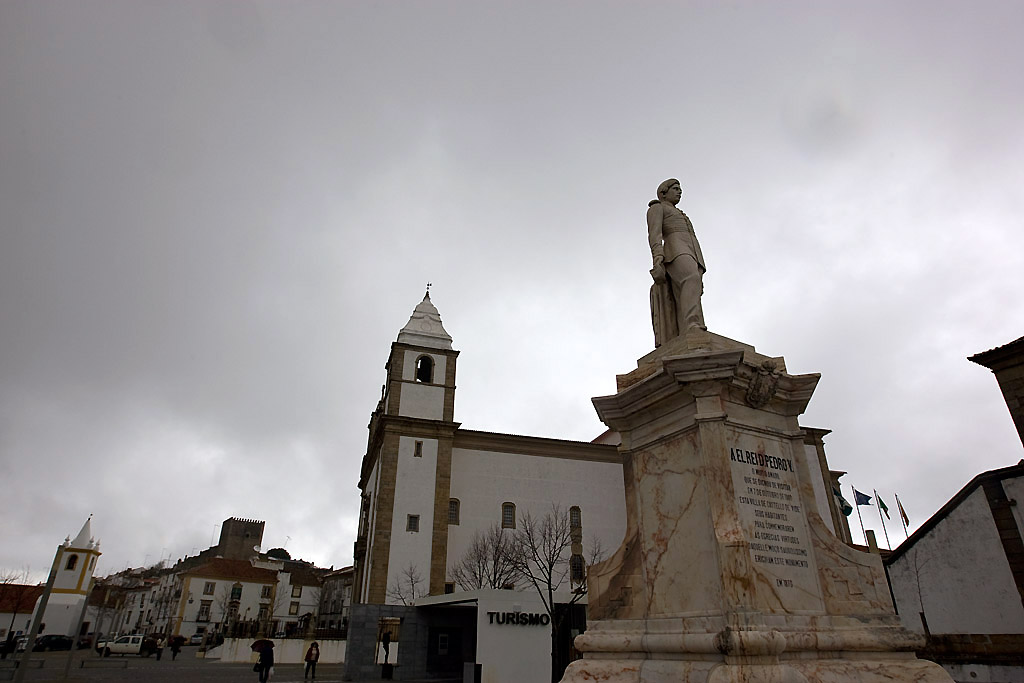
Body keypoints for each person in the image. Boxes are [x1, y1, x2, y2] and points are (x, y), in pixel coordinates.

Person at [647, 178, 706, 346]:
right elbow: (654, 234)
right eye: (675, 188)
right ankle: (692, 324)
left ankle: (689, 328)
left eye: (680, 189)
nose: (679, 191)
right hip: (675, 249)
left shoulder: (681, 213)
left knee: (691, 289)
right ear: (663, 193)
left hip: (693, 251)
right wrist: (658, 258)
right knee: (690, 278)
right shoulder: (657, 208)